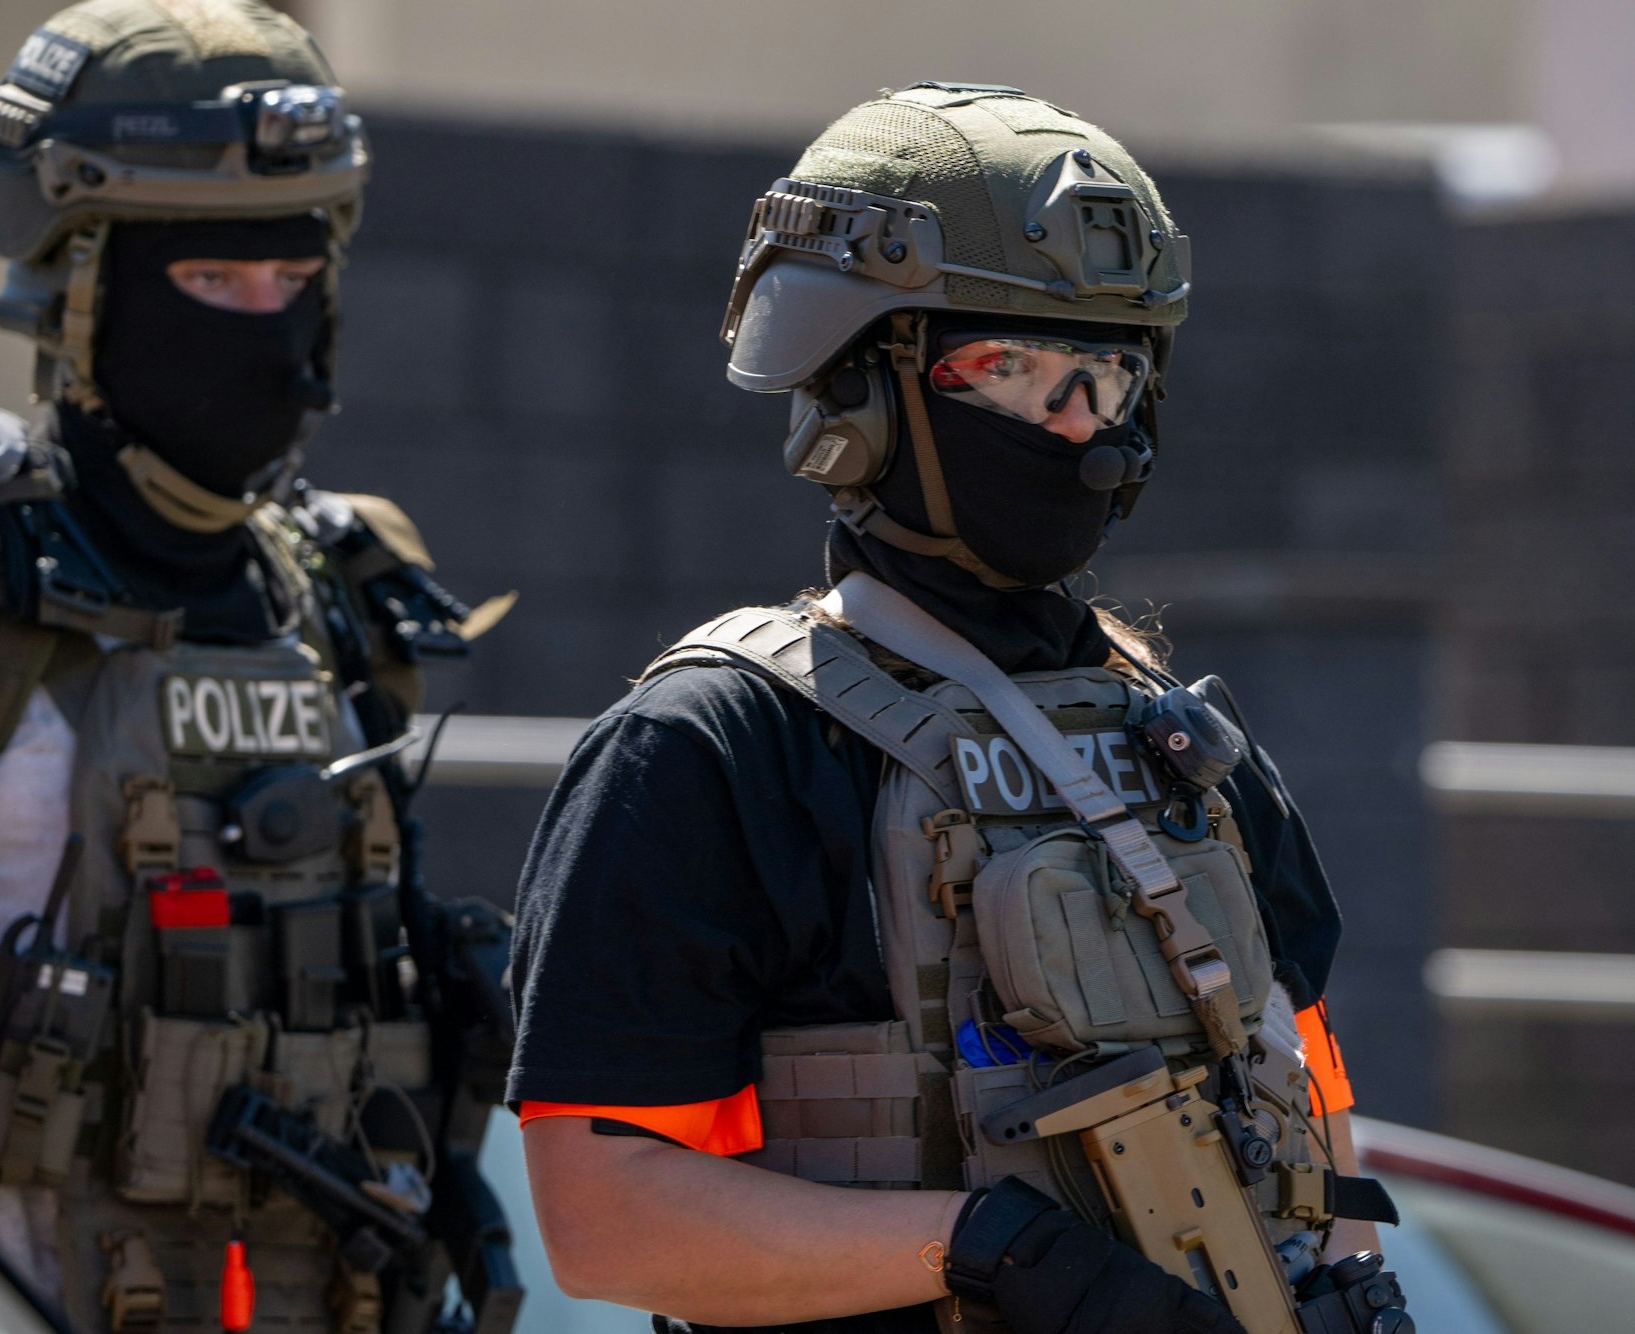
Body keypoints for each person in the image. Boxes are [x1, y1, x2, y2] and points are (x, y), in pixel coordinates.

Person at [510, 83, 1409, 1334]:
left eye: (1105, 376)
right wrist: (984, 1249)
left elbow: (1313, 1147)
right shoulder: (712, 750)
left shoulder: (1185, 753)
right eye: (1012, 368)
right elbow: (606, 1219)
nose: (1078, 430)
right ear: (860, 391)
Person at [0, 2, 520, 1330]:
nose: (265, 329)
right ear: (77, 284)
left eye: (293, 281)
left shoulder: (342, 587)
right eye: (213, 282)